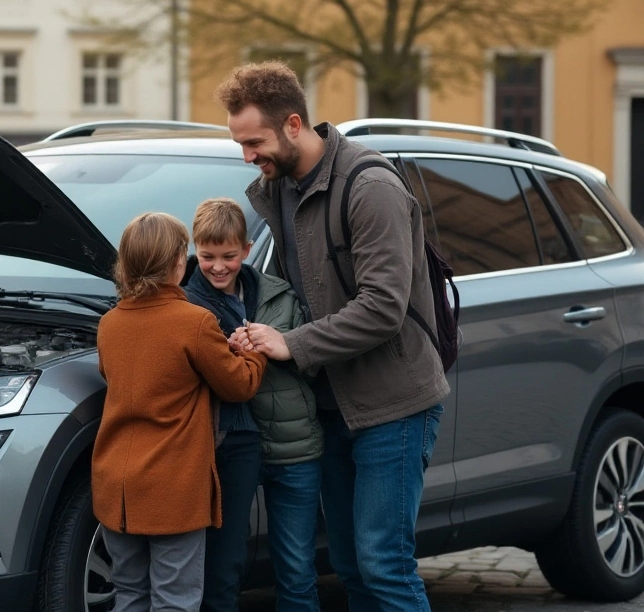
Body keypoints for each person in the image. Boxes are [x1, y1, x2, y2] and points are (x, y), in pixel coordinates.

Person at [220, 61, 448, 611]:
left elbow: (382, 308)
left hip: (393, 403)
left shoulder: (369, 187)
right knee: (351, 566)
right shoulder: (281, 191)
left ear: (293, 124)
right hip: (333, 404)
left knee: (384, 565)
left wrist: (290, 344)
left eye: (254, 142)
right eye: (241, 144)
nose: (247, 156)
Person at [92, 211, 267, 612]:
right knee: (175, 601)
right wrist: (252, 354)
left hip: (115, 487)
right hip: (171, 490)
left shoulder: (109, 324)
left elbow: (112, 374)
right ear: (176, 264)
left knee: (131, 597)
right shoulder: (195, 321)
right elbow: (238, 385)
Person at [184, 198, 320, 612]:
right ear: (194, 251)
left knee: (296, 567)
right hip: (225, 451)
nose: (219, 267)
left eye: (228, 256)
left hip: (292, 448)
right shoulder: (185, 306)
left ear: (246, 250)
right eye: (207, 257)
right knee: (224, 563)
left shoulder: (278, 294)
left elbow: (315, 368)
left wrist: (282, 347)